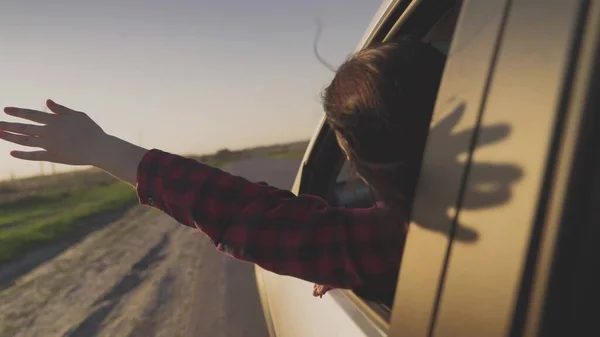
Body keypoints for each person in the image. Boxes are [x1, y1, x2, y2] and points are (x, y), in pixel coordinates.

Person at [0, 39, 445, 306]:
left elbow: (251, 217)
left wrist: (101, 148)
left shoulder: (405, 237)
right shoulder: (467, 222)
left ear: (364, 160)